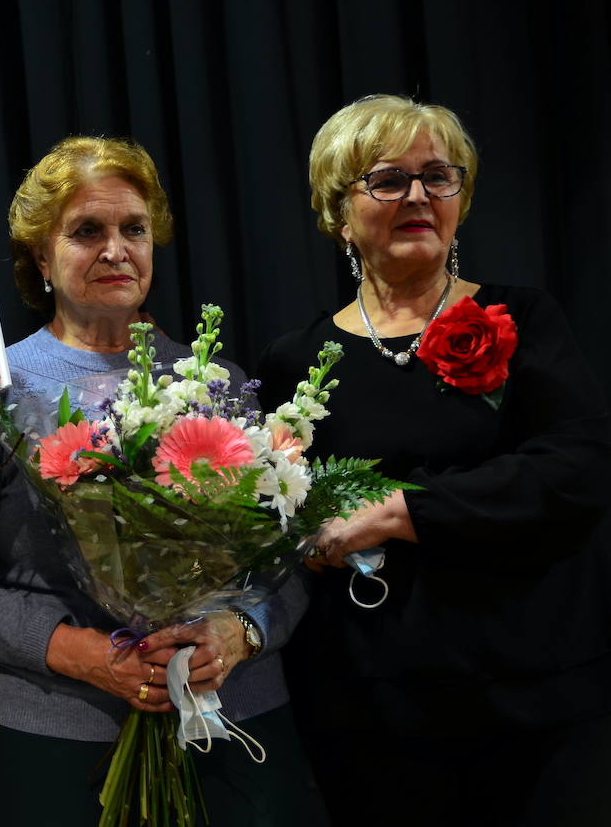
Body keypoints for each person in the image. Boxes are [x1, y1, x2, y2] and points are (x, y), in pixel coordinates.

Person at [0, 136, 322, 826]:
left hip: (230, 720)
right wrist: (79, 653)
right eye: (87, 231)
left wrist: (242, 630)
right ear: (41, 256)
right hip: (54, 733)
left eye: (134, 230)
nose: (116, 249)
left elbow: (291, 557)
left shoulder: (221, 384)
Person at [258, 94, 611, 826]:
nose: (418, 195)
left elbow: (578, 468)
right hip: (369, 708)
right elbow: (281, 522)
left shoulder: (524, 318)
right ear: (339, 211)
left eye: (438, 177)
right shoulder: (296, 360)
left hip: (532, 696)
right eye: (388, 179)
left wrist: (398, 511)